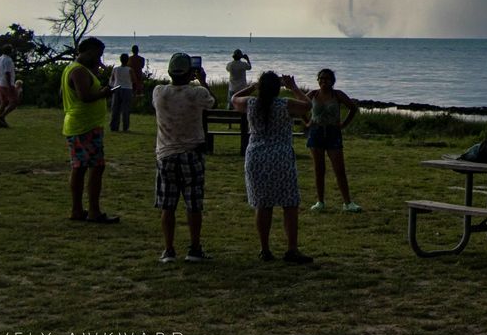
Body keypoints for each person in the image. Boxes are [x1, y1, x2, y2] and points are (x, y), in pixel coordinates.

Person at [232, 72, 313, 263]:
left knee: (263, 204)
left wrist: (251, 87)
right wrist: (293, 87)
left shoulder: (251, 104)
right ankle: (292, 249)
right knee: (289, 203)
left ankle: (265, 249)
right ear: (278, 89)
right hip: (281, 155)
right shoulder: (284, 104)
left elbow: (234, 99)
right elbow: (307, 105)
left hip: (256, 156)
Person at [152, 53, 217, 263]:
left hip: (166, 154)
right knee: (193, 204)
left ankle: (169, 249)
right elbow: (212, 103)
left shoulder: (159, 93)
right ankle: (194, 248)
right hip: (192, 153)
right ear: (191, 73)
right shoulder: (197, 93)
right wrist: (203, 80)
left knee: (167, 205)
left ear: (170, 72)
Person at [61, 37, 118, 223]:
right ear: (89, 51)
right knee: (95, 167)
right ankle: (94, 211)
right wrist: (104, 93)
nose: (99, 58)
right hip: (85, 125)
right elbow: (84, 96)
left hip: (79, 124)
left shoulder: (72, 69)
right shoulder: (78, 71)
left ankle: (77, 210)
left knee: (79, 167)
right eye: (98, 54)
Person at [305, 69, 361, 213]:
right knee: (319, 169)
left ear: (333, 81)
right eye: (321, 79)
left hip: (333, 133)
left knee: (339, 169)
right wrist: (307, 122)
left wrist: (343, 124)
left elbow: (353, 108)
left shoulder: (337, 95)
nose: (324, 81)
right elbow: (299, 107)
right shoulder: (313, 94)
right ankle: (320, 201)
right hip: (316, 133)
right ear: (317, 80)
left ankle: (348, 202)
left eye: (327, 79)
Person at [109, 53, 135, 132]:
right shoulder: (130, 70)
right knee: (125, 109)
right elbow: (133, 80)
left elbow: (111, 79)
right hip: (127, 89)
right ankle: (125, 127)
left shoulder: (115, 69)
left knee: (115, 108)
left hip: (116, 88)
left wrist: (112, 86)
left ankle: (114, 126)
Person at [0, 46, 19, 128]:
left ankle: (0, 122)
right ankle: (2, 116)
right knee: (14, 102)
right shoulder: (8, 60)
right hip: (5, 84)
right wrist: (10, 85)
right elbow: (7, 73)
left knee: (4, 102)